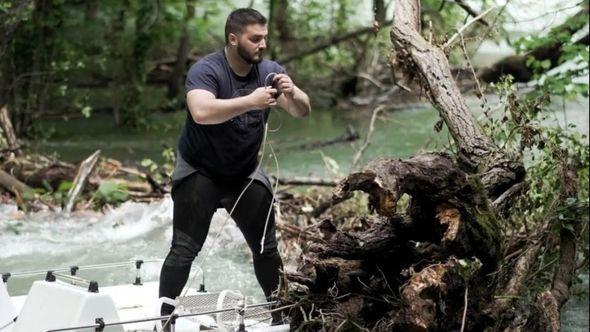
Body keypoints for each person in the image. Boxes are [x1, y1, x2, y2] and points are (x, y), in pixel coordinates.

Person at [157, 7, 311, 328]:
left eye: (265, 38)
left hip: (244, 173)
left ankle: (279, 318)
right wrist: (250, 101)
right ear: (233, 39)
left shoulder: (268, 71)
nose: (262, 45)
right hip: (200, 172)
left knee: (267, 250)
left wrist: (292, 91)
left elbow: (301, 111)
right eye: (255, 39)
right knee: (183, 251)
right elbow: (201, 111)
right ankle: (163, 321)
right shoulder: (206, 70)